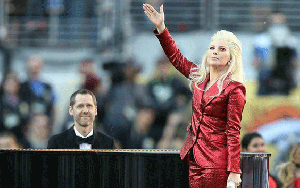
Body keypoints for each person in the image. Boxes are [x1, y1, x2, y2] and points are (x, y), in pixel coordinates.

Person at [143, 4, 246, 188]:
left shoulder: (234, 89)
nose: (214, 51)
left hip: (216, 163)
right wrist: (161, 28)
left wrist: (234, 171)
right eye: (212, 47)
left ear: (231, 58)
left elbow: (233, 132)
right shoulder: (199, 78)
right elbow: (176, 57)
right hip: (194, 157)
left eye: (222, 49)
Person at [47, 89, 114, 149]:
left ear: (95, 110)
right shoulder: (56, 143)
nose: (85, 111)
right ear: (71, 110)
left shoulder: (108, 144)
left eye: (89, 106)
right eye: (80, 106)